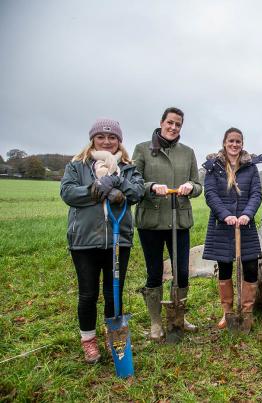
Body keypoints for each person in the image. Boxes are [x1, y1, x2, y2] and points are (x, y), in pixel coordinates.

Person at [60, 118, 144, 363]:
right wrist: (95, 189)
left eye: (112, 138)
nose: (107, 142)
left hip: (119, 240)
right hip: (84, 240)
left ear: (119, 141)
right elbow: (68, 193)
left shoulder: (128, 167)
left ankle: (114, 338)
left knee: (113, 292)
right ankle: (89, 342)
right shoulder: (77, 166)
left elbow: (137, 192)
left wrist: (117, 183)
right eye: (101, 137)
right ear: (93, 139)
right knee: (88, 294)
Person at [132, 107, 202, 341]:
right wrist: (151, 186)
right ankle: (155, 323)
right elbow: (133, 183)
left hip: (179, 221)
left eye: (178, 124)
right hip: (151, 221)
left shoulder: (188, 152)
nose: (173, 128)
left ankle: (178, 318)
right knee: (154, 273)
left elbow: (197, 185)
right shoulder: (142, 149)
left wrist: (191, 188)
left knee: (181, 272)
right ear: (161, 122)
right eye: (170, 123)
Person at [202, 127, 262, 332]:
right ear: (225, 143)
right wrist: (225, 214)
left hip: (245, 226)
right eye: (231, 141)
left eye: (238, 141)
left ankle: (246, 312)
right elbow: (210, 194)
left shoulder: (251, 167)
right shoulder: (214, 166)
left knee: (251, 267)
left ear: (242, 144)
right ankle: (227, 312)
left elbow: (256, 194)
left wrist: (247, 214)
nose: (234, 145)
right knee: (225, 268)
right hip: (223, 226)